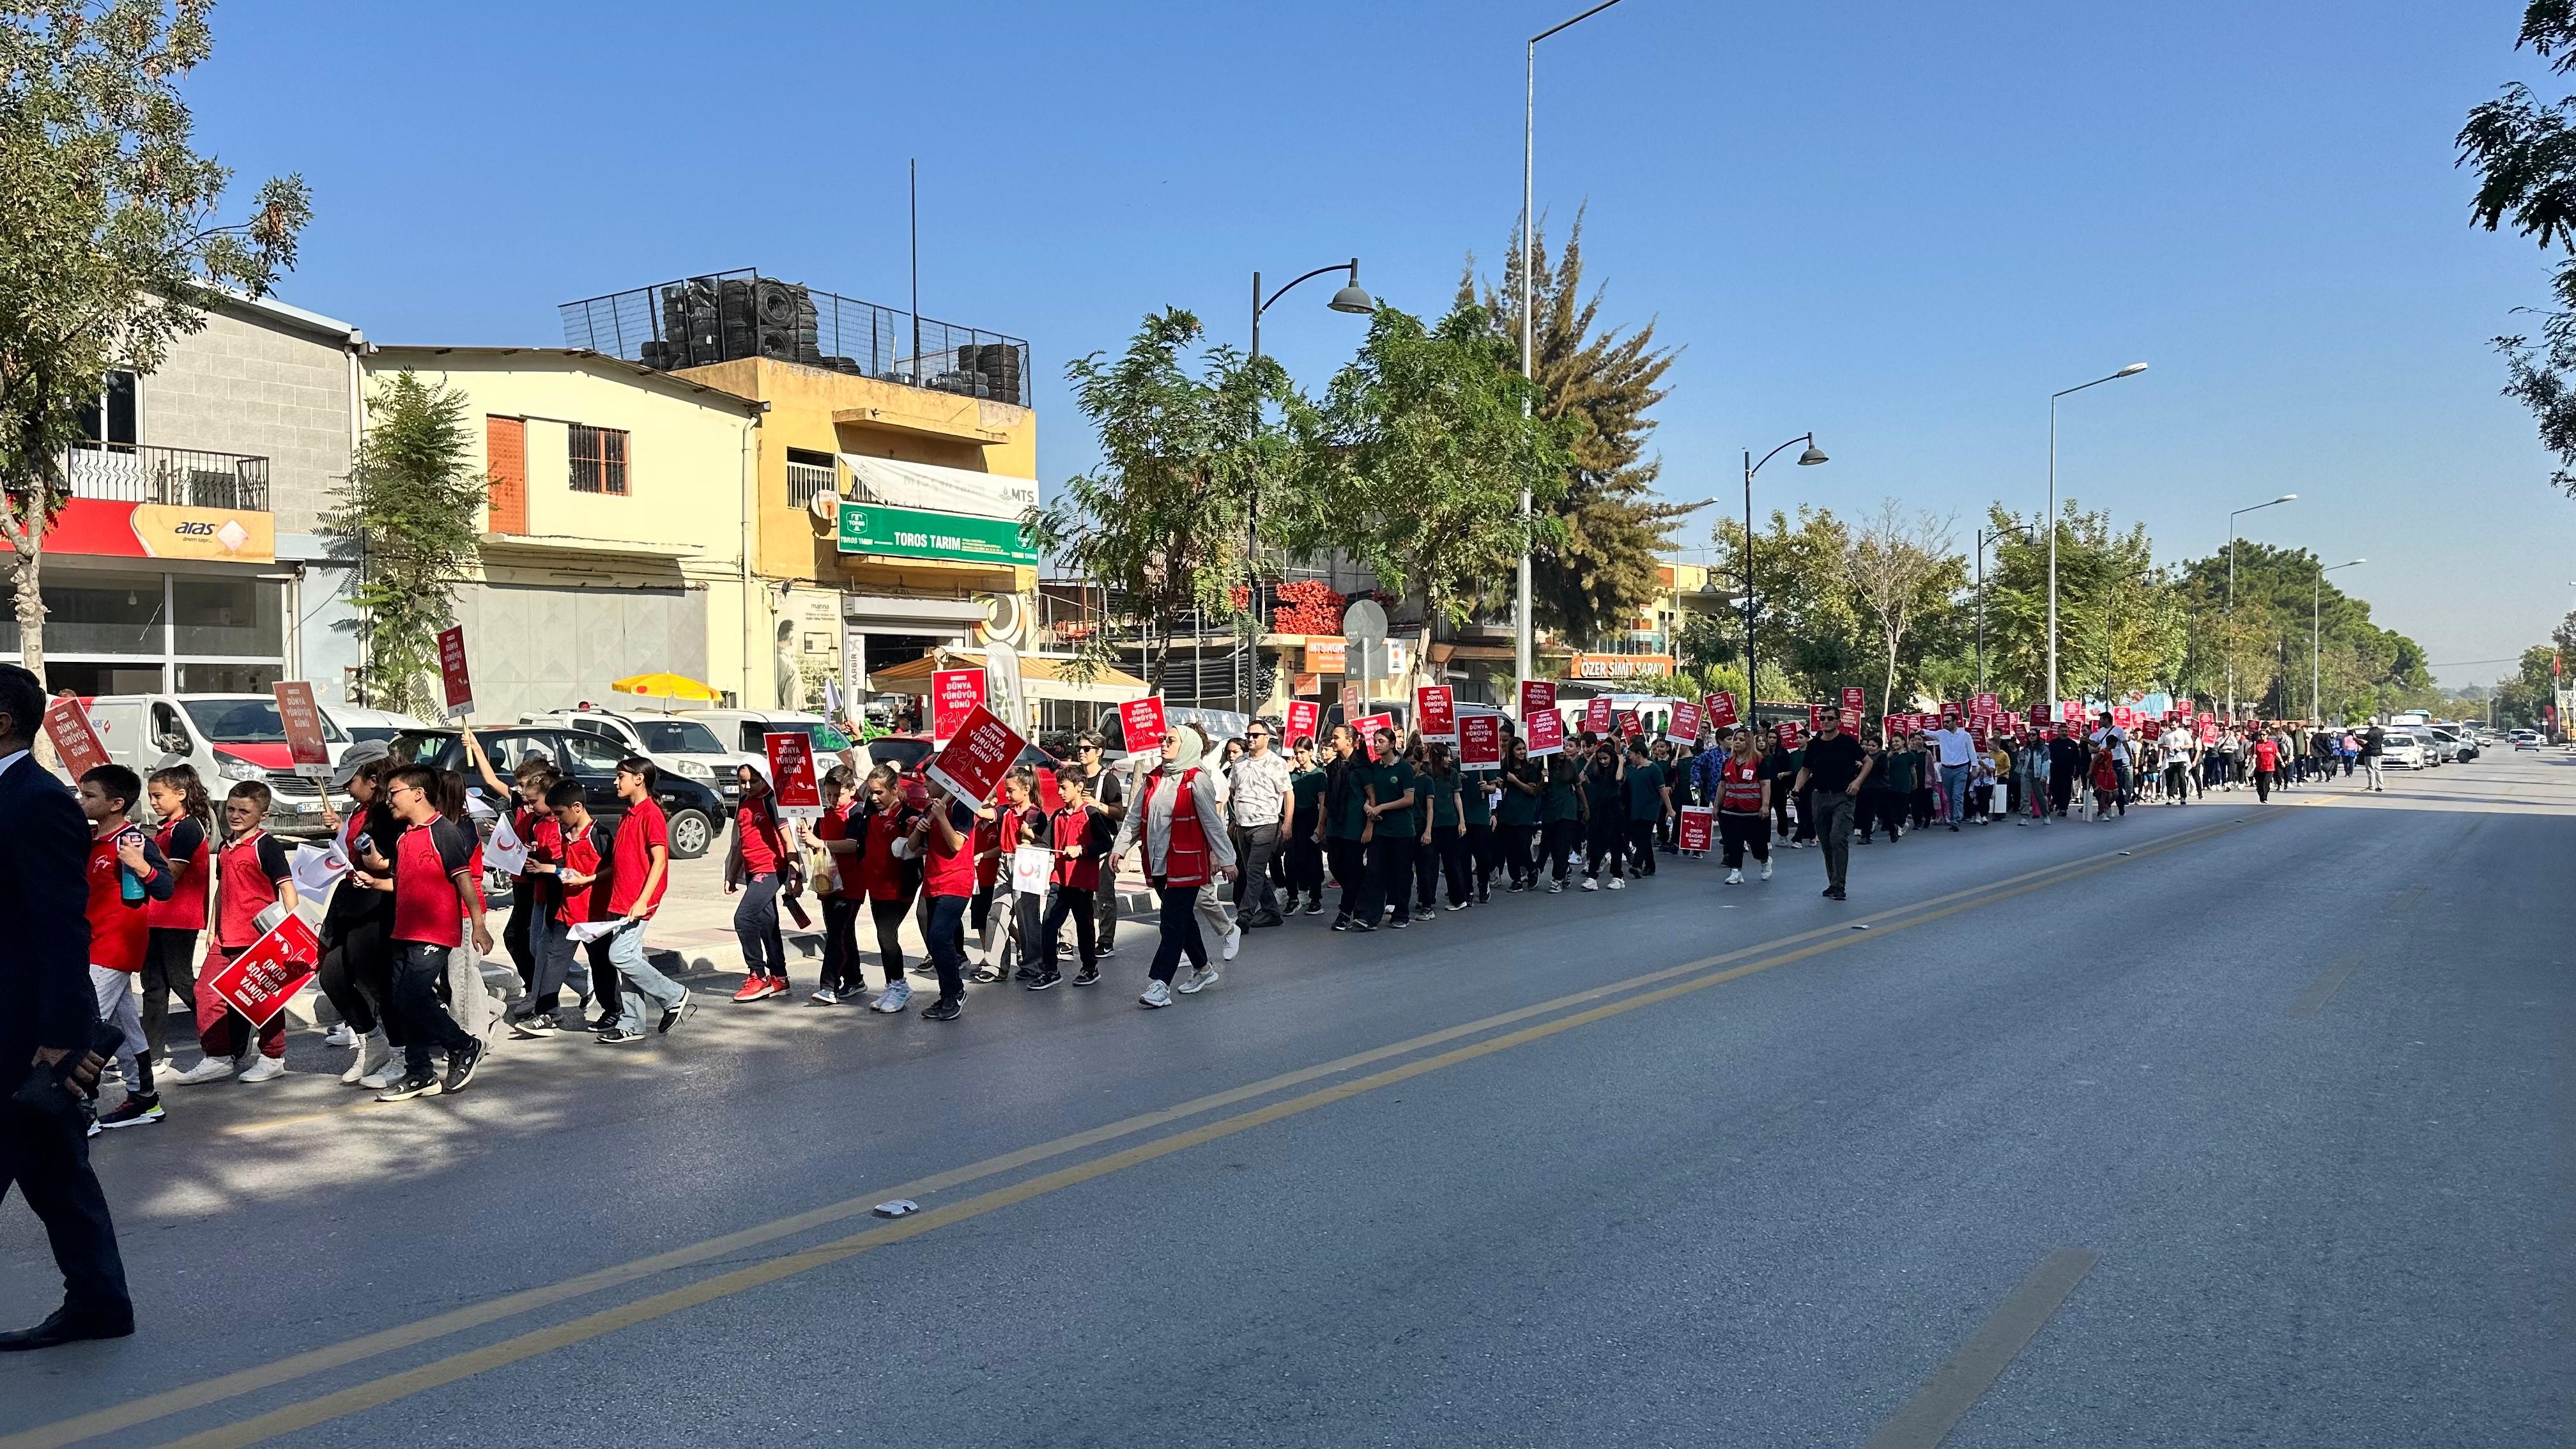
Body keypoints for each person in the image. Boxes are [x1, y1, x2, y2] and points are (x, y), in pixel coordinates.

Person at [0, 664, 134, 1349]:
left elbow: (60, 924)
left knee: (58, 1177)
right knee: (59, 1180)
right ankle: (100, 1303)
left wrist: (60, 1038)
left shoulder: (36, 800)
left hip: (26, 1034)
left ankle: (100, 1304)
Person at [360, 766, 491, 1101]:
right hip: (404, 932)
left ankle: (464, 1045)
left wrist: (478, 925)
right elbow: (404, 881)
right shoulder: (405, 837)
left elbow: (464, 880)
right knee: (401, 1002)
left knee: (412, 997)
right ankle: (419, 1072)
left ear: (419, 793)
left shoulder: (444, 831)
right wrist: (375, 880)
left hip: (435, 933)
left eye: (395, 792)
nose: (389, 799)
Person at [170, 783, 299, 1085]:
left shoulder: (266, 846)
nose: (235, 816)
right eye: (231, 809)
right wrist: (213, 931)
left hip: (258, 940)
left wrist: (290, 933)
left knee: (263, 1000)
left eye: (244, 811)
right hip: (225, 938)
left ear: (263, 815)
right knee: (206, 993)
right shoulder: (226, 847)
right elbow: (220, 892)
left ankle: (272, 1057)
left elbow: (288, 890)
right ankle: (217, 1058)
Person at [1107, 725, 1238, 1006]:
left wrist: (1226, 858)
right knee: (1182, 920)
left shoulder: (1197, 779)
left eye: (1170, 741)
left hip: (1187, 863)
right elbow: (1133, 818)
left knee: (1171, 922)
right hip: (1158, 863)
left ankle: (1159, 984)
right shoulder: (1155, 777)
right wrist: (1120, 848)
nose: (1163, 744)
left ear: (1187, 746)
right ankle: (1203, 969)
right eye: (1162, 740)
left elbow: (1212, 822)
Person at [76, 765, 174, 1132]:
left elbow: (164, 889)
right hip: (91, 944)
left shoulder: (132, 841)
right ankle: (144, 1098)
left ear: (117, 804)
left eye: (89, 796)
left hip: (116, 947)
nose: (81, 801)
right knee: (124, 1025)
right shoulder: (89, 838)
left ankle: (83, 1108)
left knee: (83, 1024)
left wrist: (141, 866)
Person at [596, 758, 694, 1043]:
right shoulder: (629, 814)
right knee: (630, 962)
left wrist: (643, 900)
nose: (616, 782)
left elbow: (660, 862)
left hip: (639, 902)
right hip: (622, 900)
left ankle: (674, 995)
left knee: (620, 955)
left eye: (620, 777)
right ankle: (632, 1024)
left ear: (639, 779)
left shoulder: (651, 814)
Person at [138, 763, 213, 1077]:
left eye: (159, 795)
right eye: (151, 796)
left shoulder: (188, 827)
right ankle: (153, 1057)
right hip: (156, 915)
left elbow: (173, 872)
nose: (153, 802)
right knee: (153, 986)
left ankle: (224, 1036)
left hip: (179, 916)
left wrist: (139, 859)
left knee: (181, 980)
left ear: (181, 795)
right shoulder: (167, 826)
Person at [526, 779, 611, 1028]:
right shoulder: (566, 834)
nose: (557, 819)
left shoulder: (600, 834)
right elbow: (571, 869)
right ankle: (547, 1013)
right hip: (566, 912)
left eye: (560, 814)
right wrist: (548, 869)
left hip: (594, 915)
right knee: (553, 960)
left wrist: (589, 879)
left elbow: (614, 868)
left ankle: (612, 1010)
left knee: (601, 965)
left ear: (577, 807)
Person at [908, 776, 981, 1021]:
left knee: (940, 937)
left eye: (929, 780)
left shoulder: (961, 806)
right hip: (933, 882)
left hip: (957, 882)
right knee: (935, 941)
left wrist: (941, 817)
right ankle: (946, 993)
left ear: (944, 781)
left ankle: (957, 993)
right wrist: (919, 830)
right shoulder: (929, 810)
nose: (925, 785)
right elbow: (912, 847)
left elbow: (957, 845)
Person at [1031, 762, 1108, 988]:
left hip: (1081, 880)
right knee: (1049, 923)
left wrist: (1081, 850)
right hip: (1059, 879)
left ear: (1079, 786)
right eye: (1059, 787)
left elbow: (1105, 842)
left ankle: (1090, 967)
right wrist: (1030, 836)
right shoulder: (1058, 815)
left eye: (1064, 787)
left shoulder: (1091, 814)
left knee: (1084, 924)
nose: (1060, 792)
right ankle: (1050, 970)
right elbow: (1047, 842)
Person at [725, 763, 798, 1001]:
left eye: (753, 781)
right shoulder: (745, 803)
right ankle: (779, 977)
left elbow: (788, 840)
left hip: (771, 869)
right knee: (768, 923)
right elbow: (740, 843)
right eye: (742, 782)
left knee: (743, 918)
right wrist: (731, 874)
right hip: (751, 870)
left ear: (764, 778)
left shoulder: (772, 801)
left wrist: (794, 874)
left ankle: (757, 975)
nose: (747, 786)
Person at [1790, 709, 1871, 901]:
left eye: (1830, 719)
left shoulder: (1848, 743)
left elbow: (1868, 763)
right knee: (1826, 842)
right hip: (1820, 797)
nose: (1825, 722)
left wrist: (1857, 782)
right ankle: (1833, 883)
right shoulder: (1814, 745)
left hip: (1844, 797)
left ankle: (1840, 886)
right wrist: (1796, 788)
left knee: (1838, 838)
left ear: (1838, 721)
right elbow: (1805, 769)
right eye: (1822, 719)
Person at [1228, 718, 1292, 927]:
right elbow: (1232, 791)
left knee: (1254, 872)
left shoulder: (1276, 763)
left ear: (1267, 738)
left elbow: (1288, 794)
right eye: (1249, 735)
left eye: (1256, 735)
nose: (1251, 739)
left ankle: (1244, 917)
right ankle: (1272, 912)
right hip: (1242, 826)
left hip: (1265, 825)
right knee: (1252, 872)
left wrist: (1287, 823)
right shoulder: (1240, 763)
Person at [1071, 732, 1127, 958]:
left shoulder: (1108, 779)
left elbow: (1119, 812)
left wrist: (1098, 805)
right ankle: (1068, 940)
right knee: (1072, 893)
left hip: (1103, 844)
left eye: (1087, 749)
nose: (1082, 753)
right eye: (1080, 749)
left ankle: (1105, 940)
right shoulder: (1075, 777)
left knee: (1104, 895)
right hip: (1078, 843)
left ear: (1099, 752)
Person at [1715, 728, 1774, 885]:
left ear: (1749, 742)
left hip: (1752, 811)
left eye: (1742, 740)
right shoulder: (1728, 763)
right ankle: (1736, 872)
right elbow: (1722, 786)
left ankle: (1765, 860)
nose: (1737, 742)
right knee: (1733, 842)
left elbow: (1765, 784)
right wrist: (1717, 807)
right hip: (1730, 809)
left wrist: (1765, 806)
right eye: (1736, 739)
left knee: (1757, 845)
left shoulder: (1759, 762)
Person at [1284, 737, 1328, 915]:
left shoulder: (1318, 775)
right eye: (1296, 753)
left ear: (1310, 752)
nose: (1299, 756)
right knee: (1290, 859)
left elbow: (1323, 801)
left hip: (1311, 817)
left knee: (1313, 859)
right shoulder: (1292, 774)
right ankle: (1292, 897)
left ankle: (1316, 898)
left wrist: (1320, 825)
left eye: (1302, 752)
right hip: (1294, 818)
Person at [1495, 737, 1542, 891]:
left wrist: (1515, 781)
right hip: (1508, 813)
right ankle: (1516, 879)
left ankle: (1532, 869)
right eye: (1519, 749)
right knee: (1510, 849)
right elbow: (1499, 787)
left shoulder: (1531, 769)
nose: (1522, 752)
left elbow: (1532, 791)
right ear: (1512, 751)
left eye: (1524, 749)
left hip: (1525, 813)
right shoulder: (1505, 767)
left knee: (1523, 846)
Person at [1622, 737, 1671, 878]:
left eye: (1631, 754)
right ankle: (1650, 865)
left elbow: (1662, 790)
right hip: (1634, 809)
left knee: (1643, 836)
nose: (1629, 757)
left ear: (1638, 754)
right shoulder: (1631, 770)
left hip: (1650, 809)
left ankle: (1637, 865)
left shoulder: (1653, 769)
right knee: (1640, 838)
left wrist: (1670, 809)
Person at [1927, 715, 1975, 832]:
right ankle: (1954, 817)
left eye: (1948, 721)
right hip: (1946, 769)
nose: (1945, 724)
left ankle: (1956, 820)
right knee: (1949, 796)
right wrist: (1920, 731)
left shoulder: (1965, 735)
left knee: (1957, 795)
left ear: (1955, 722)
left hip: (1961, 768)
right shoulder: (1942, 734)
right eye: (1944, 722)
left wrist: (1974, 767)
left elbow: (1971, 751)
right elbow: (1930, 733)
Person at [2252, 728, 2281, 802]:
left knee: (2266, 782)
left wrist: (2281, 761)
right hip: (2259, 767)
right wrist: (2251, 756)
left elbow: (2276, 753)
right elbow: (2249, 751)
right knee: (2259, 784)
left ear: (2267, 735)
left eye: (2264, 735)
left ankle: (2265, 797)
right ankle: (2261, 796)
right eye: (2261, 735)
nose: (2262, 736)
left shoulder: (2272, 744)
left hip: (2269, 767)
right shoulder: (2256, 744)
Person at [2359, 723, 2386, 792]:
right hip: (2378, 752)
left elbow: (2364, 742)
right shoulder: (2381, 732)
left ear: (2369, 723)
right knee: (2378, 770)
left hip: (2370, 752)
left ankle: (2371, 787)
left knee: (2371, 770)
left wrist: (2356, 739)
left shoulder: (2370, 733)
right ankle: (2381, 787)